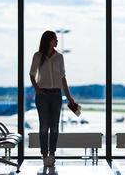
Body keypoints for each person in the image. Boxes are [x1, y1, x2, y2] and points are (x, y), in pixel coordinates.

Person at [29, 30, 74, 166]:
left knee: (54, 126)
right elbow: (32, 75)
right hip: (42, 96)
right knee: (44, 126)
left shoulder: (59, 57)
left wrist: (69, 97)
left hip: (56, 95)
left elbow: (63, 78)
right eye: (55, 39)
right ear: (48, 40)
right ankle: (44, 155)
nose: (57, 41)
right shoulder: (37, 56)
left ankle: (52, 154)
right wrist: (37, 89)